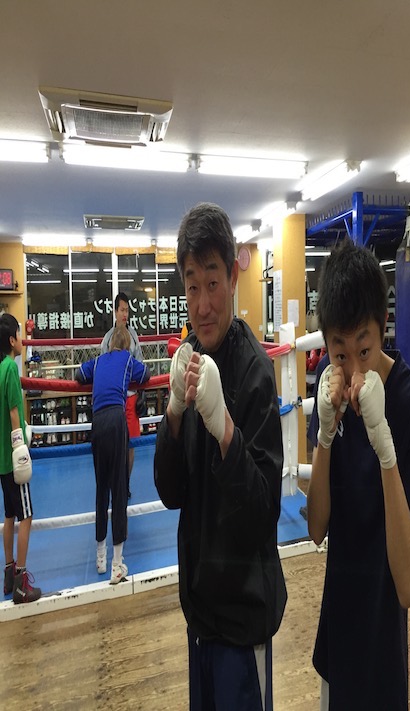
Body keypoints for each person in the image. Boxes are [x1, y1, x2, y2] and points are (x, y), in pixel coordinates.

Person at [154, 202, 287, 711]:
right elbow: (171, 493)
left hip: (243, 616)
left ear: (233, 277)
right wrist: (174, 414)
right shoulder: (189, 358)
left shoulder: (254, 372)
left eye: (212, 282)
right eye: (192, 286)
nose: (203, 303)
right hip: (201, 614)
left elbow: (262, 515)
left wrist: (225, 428)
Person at [307, 239, 410, 710]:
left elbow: (409, 587)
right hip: (336, 633)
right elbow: (316, 528)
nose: (353, 371)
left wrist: (384, 449)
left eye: (363, 350)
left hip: (383, 644)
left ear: (382, 327)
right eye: (339, 354)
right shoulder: (331, 389)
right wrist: (325, 437)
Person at [76, 326, 150, 584]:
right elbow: (146, 374)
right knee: (119, 488)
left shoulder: (97, 362)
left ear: (109, 345)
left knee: (102, 488)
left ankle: (100, 558)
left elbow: (79, 375)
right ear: (127, 346)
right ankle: (117, 564)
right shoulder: (128, 359)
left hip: (97, 421)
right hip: (116, 419)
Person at [0, 314, 41, 604]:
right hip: (13, 460)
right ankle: (20, 584)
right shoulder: (10, 370)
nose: (22, 339)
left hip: (1, 459)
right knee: (26, 516)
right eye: (19, 333)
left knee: (9, 515)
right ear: (12, 339)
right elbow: (15, 413)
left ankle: (8, 572)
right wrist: (21, 452)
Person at [101, 292, 144, 498]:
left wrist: (141, 393)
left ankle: (125, 483)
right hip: (114, 399)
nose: (125, 314)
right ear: (115, 311)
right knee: (113, 444)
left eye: (127, 310)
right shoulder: (107, 339)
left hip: (131, 397)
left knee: (131, 443)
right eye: (122, 310)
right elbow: (103, 367)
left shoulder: (134, 336)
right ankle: (114, 482)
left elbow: (141, 364)